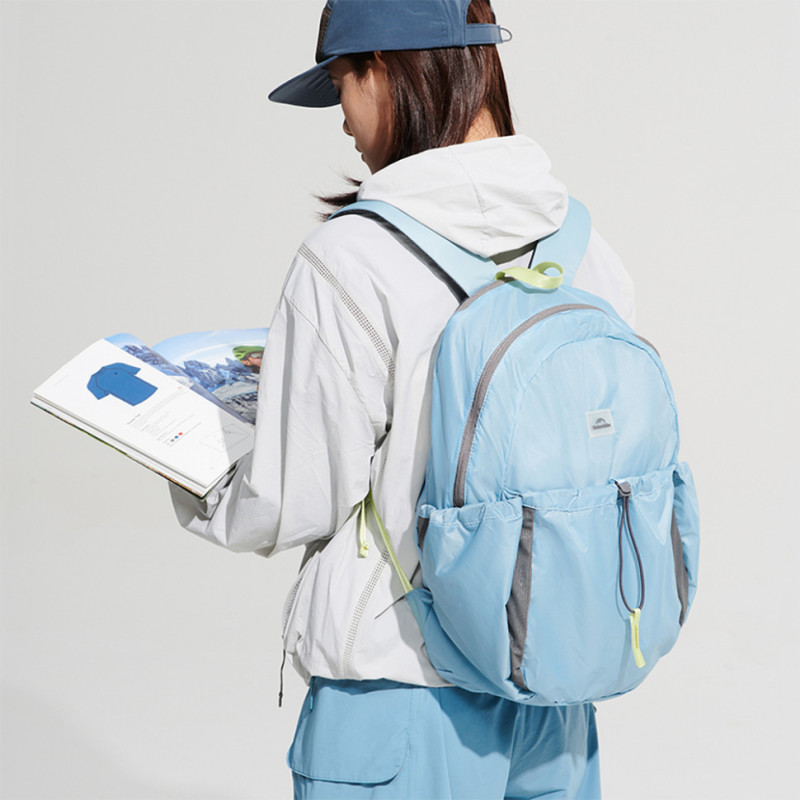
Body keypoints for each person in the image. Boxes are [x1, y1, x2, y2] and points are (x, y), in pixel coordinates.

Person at [170, 1, 634, 797]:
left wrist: (185, 460)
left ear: (384, 69)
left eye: (341, 85)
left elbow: (290, 499)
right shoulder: (587, 248)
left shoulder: (351, 258)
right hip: (552, 690)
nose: (343, 120)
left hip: (401, 688)